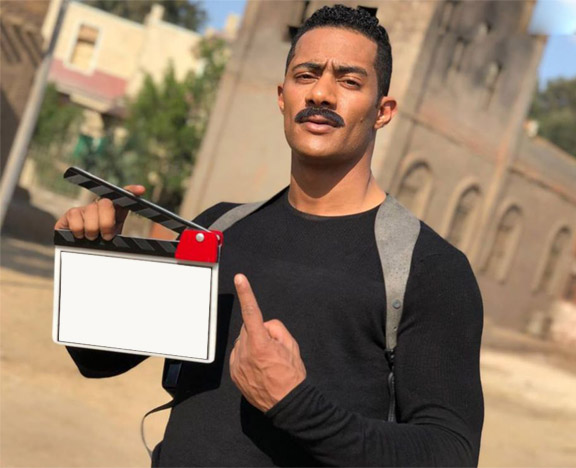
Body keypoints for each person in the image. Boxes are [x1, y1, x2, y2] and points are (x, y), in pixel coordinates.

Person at [55, 5, 484, 467]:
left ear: (383, 111)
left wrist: (296, 405)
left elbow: (450, 453)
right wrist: (93, 265)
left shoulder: (427, 268)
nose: (321, 93)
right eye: (306, 75)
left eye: (349, 81)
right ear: (283, 96)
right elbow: (100, 361)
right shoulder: (218, 228)